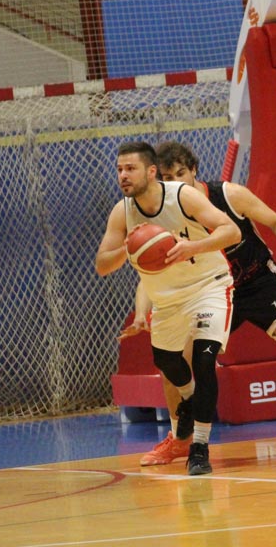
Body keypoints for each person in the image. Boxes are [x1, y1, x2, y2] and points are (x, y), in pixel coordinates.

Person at [122, 142, 276, 466]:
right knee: (174, 363)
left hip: (258, 282)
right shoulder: (166, 215)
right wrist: (142, 313)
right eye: (168, 178)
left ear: (194, 170)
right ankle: (181, 438)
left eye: (181, 173)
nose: (176, 182)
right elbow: (150, 273)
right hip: (211, 290)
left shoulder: (229, 195)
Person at [95, 141, 240, 475]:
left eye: (130, 169)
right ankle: (189, 400)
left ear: (151, 171)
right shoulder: (122, 212)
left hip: (208, 286)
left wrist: (194, 246)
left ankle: (199, 448)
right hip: (167, 301)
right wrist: (131, 247)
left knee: (204, 360)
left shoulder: (181, 196)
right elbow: (102, 265)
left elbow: (230, 231)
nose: (123, 175)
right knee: (166, 362)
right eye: (119, 170)